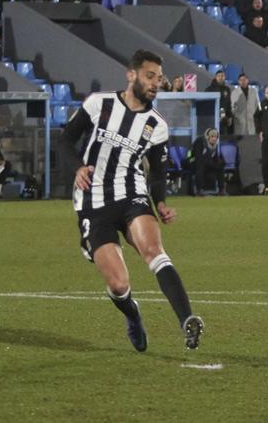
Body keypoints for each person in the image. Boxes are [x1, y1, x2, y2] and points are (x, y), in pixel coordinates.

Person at [57, 50, 204, 352]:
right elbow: (64, 140)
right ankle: (133, 315)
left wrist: (160, 202)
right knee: (119, 285)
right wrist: (77, 167)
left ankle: (187, 320)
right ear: (131, 74)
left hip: (132, 195)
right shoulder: (100, 104)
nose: (156, 83)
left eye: (159, 79)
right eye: (150, 76)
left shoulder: (157, 125)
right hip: (93, 201)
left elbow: (158, 172)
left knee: (154, 251)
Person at [188, 128, 226, 196]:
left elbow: (217, 158)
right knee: (200, 166)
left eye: (216, 137)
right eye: (212, 136)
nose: (214, 139)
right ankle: (199, 190)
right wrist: (212, 164)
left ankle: (221, 190)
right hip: (192, 162)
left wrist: (220, 164)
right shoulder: (199, 142)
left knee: (220, 167)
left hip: (206, 163)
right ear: (207, 136)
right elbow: (199, 158)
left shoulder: (215, 146)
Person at [207, 70, 233, 135]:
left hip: (224, 119)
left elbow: (228, 104)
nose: (221, 78)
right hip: (212, 118)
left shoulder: (227, 89)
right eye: (219, 76)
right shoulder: (209, 89)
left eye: (222, 76)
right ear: (215, 77)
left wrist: (229, 116)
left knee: (223, 136)